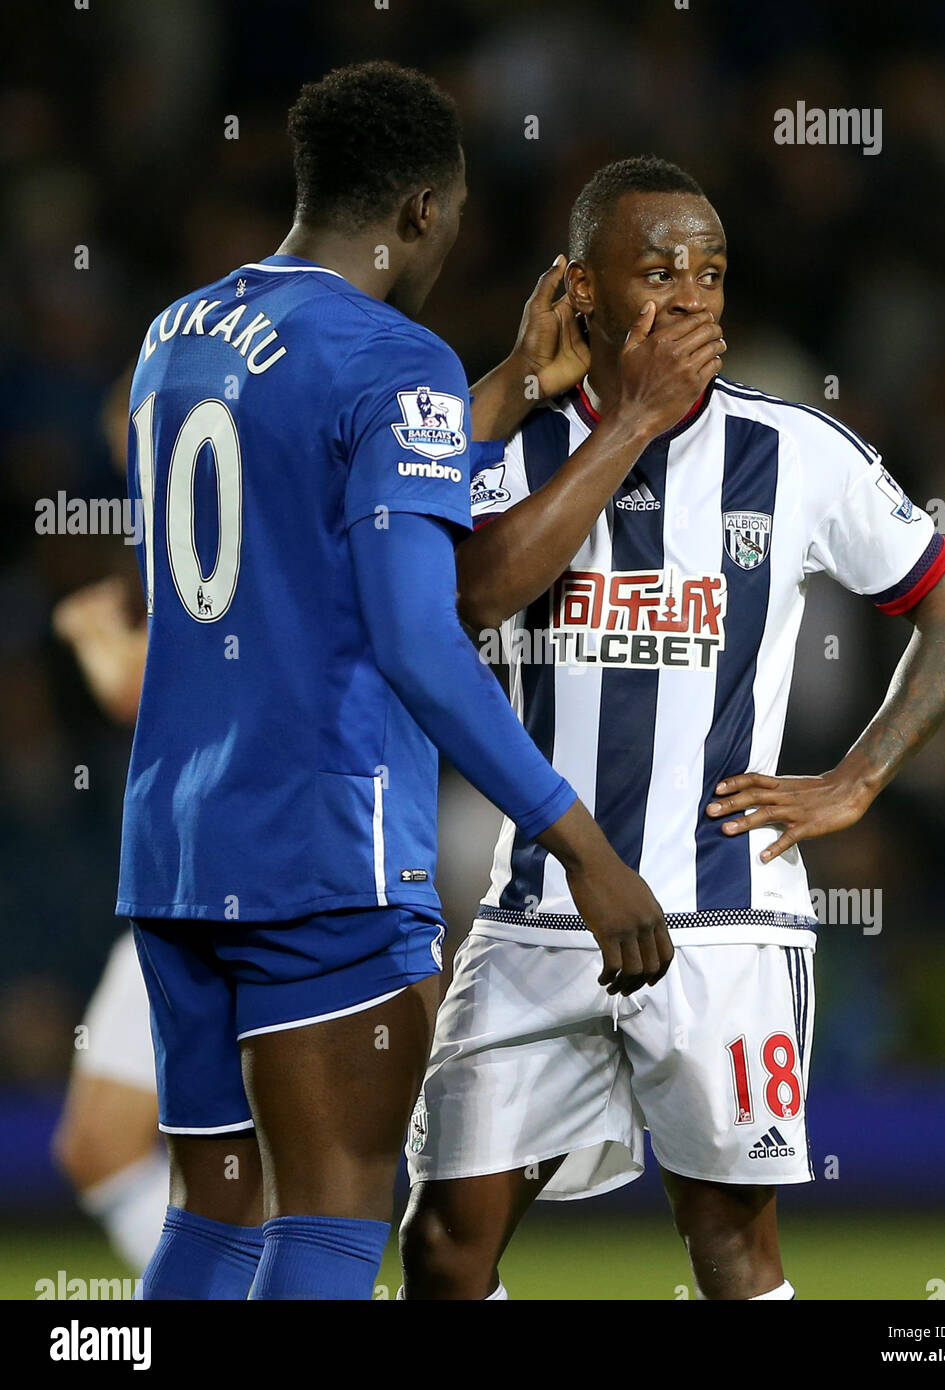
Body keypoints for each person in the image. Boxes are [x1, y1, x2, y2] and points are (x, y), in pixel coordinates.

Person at [120, 67, 674, 1301]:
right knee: (332, 1212)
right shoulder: (393, 356)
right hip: (320, 843)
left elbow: (300, 505)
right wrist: (579, 842)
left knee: (212, 1211)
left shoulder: (178, 338)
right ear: (422, 210)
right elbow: (422, 641)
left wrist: (509, 391)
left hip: (176, 837)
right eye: (459, 217)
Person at [399, 156, 945, 1301]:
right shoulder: (511, 445)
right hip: (538, 919)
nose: (690, 296)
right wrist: (624, 424)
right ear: (579, 287)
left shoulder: (797, 451)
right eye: (657, 269)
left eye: (710, 272)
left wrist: (857, 778)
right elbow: (475, 595)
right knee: (441, 1252)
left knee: (727, 1249)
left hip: (723, 919)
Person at [51, 578, 164, 1273]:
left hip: (232, 899)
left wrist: (87, 624)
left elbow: (132, 682)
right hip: (177, 896)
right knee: (95, 1147)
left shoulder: (255, 515)